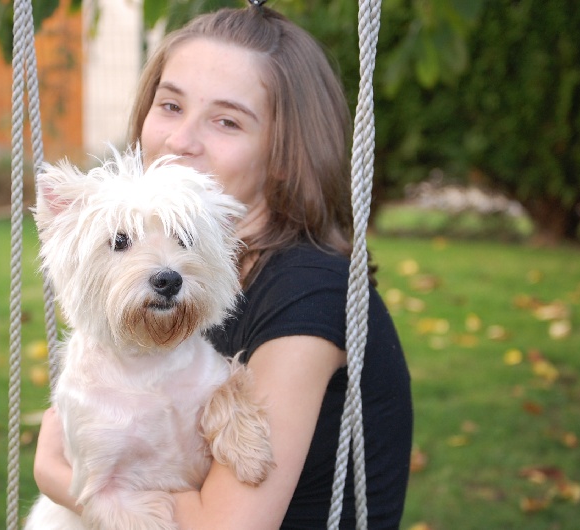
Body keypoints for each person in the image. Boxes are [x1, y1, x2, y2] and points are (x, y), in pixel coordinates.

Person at [33, 3, 413, 529]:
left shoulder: (309, 296)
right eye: (170, 105)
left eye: (227, 121)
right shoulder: (198, 277)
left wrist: (53, 473)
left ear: (284, 154)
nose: (181, 141)